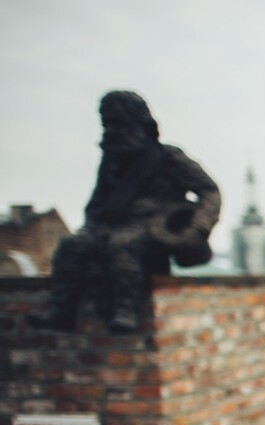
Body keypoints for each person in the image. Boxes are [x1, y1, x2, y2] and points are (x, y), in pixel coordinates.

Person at [28, 90, 221, 333]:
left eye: (119, 123)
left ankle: (126, 312)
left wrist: (196, 228)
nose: (112, 131)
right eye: (107, 124)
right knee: (70, 245)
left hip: (153, 232)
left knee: (124, 244)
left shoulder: (168, 158)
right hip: (110, 228)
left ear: (138, 123)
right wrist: (92, 230)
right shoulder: (112, 163)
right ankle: (61, 313)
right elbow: (97, 203)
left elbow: (210, 191)